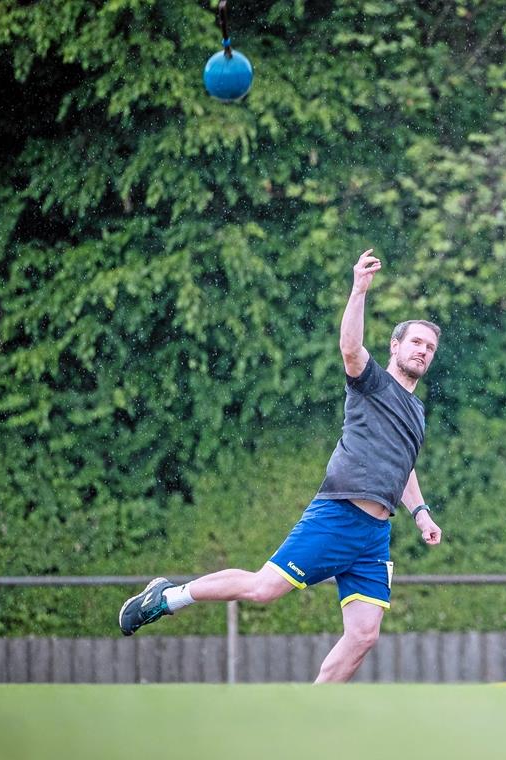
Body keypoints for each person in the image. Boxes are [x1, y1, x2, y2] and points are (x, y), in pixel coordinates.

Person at [118, 249, 444, 683]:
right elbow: (349, 347)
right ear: (396, 346)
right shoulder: (373, 383)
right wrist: (359, 291)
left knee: (364, 635)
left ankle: (308, 715)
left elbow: (403, 465)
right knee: (263, 589)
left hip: (373, 536)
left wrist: (420, 513)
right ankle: (168, 596)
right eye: (416, 342)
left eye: (430, 347)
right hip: (340, 512)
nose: (423, 351)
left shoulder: (416, 411)